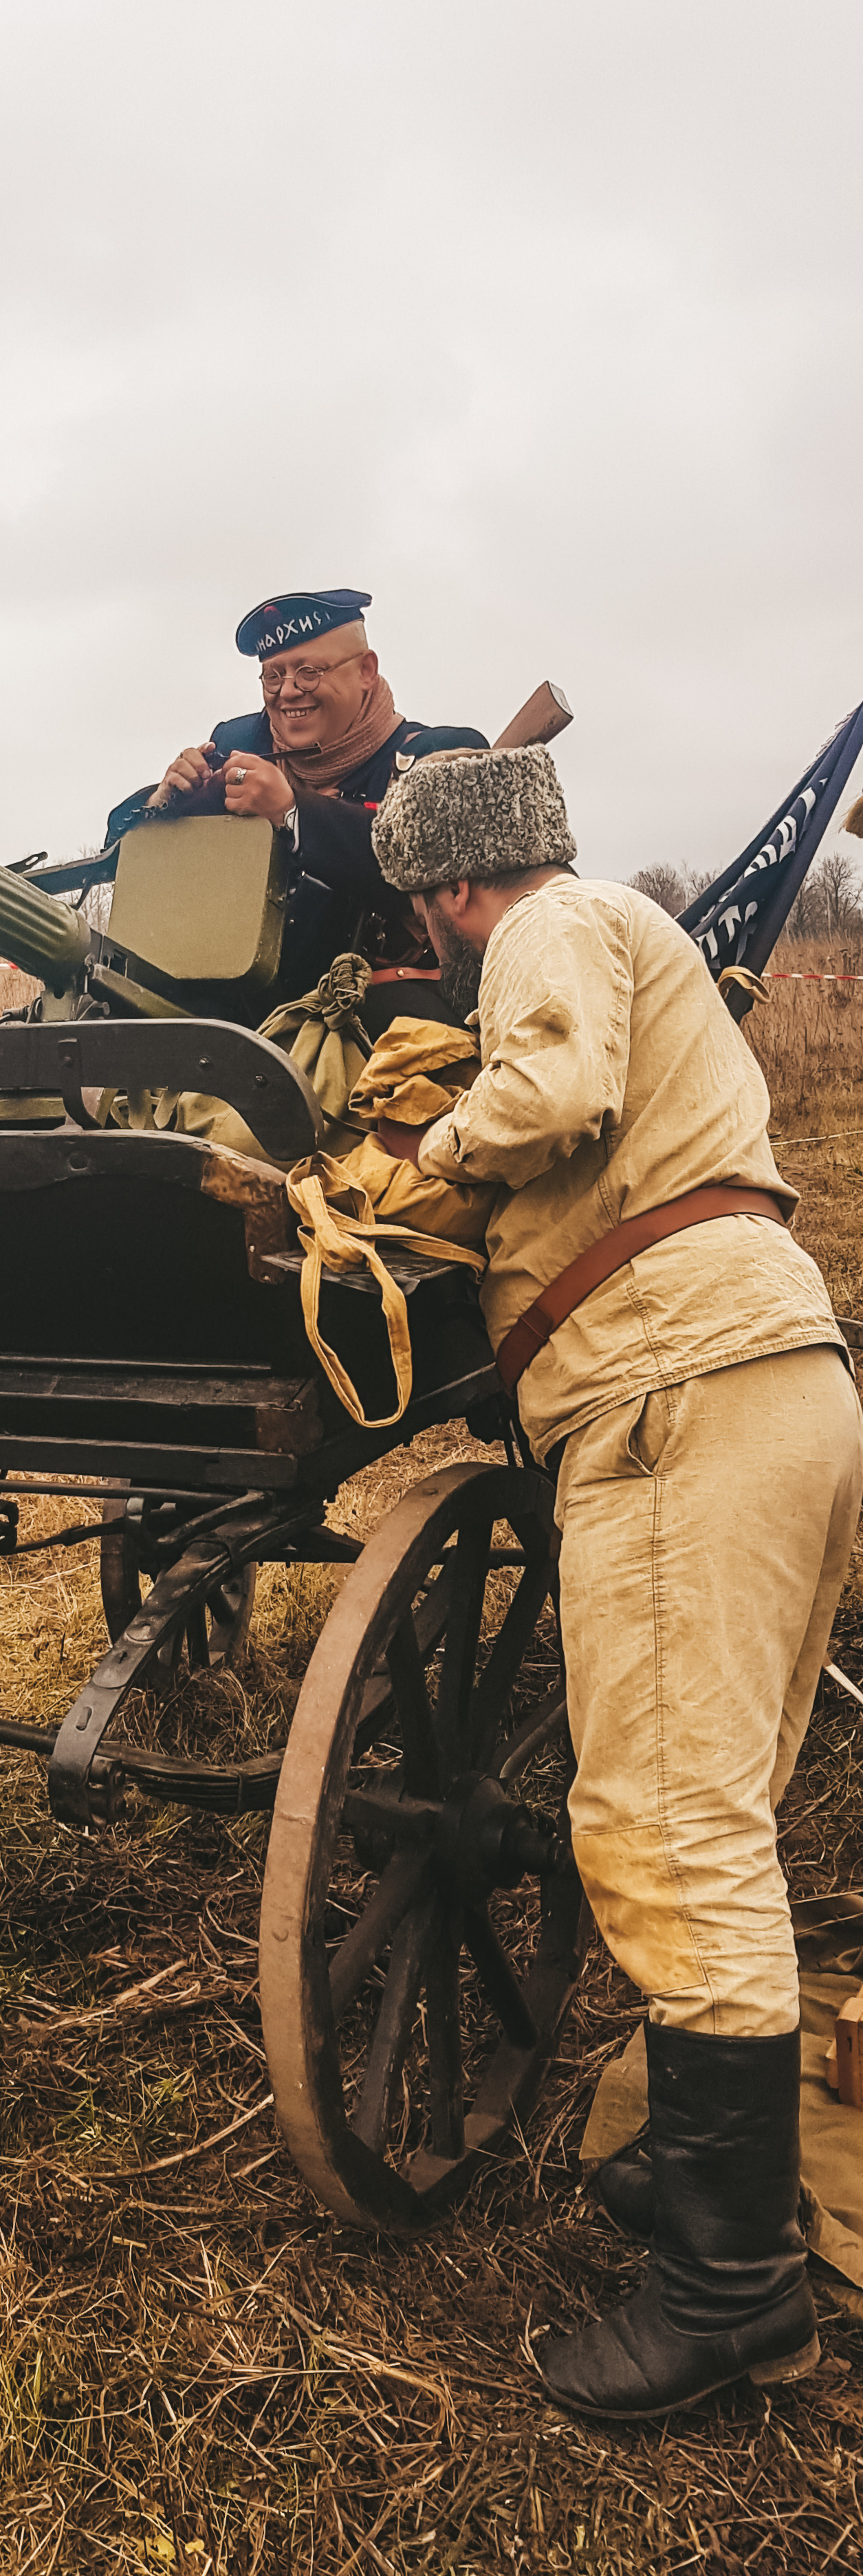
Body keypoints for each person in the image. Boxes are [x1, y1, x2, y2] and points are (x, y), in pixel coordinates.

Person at [369, 744, 863, 2421]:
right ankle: (707, 2176)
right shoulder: (650, 957)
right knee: (720, 1797)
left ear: (448, 886)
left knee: (659, 1823)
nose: (432, 927)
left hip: (672, 1382)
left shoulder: (548, 926)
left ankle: (731, 2294)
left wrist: (400, 1165)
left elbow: (551, 1097)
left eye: (422, 895)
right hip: (767, 1367)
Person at [105, 587, 486, 1032]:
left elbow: (439, 878)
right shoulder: (237, 743)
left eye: (308, 673)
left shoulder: (441, 755)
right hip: (236, 1026)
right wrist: (168, 802)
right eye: (273, 676)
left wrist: (292, 811)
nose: (288, 692)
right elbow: (117, 854)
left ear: (366, 671)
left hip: (378, 1026)